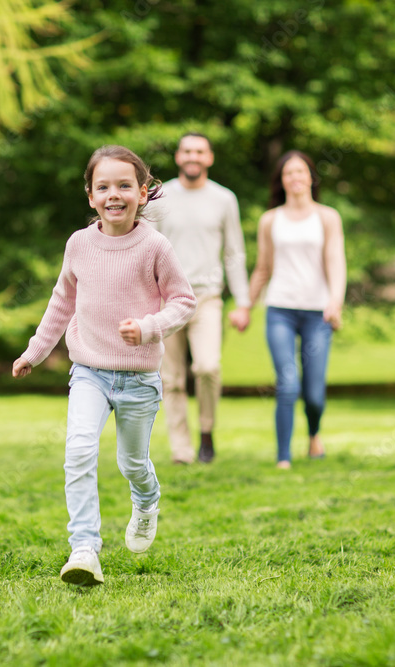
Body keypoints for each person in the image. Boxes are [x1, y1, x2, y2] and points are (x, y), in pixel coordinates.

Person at [12, 145, 197, 586]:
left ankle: (147, 501)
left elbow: (184, 301)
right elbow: (62, 303)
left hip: (139, 379)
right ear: (91, 196)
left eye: (124, 186)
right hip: (89, 372)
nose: (114, 194)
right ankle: (84, 549)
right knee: (77, 449)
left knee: (132, 463)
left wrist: (150, 327)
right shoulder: (79, 244)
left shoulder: (155, 246)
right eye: (103, 187)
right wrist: (34, 352)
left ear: (144, 192)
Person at [149, 133, 252, 464]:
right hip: (166, 300)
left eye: (200, 151)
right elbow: (147, 249)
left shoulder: (224, 199)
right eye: (187, 151)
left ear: (209, 158)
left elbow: (234, 253)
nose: (193, 156)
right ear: (178, 157)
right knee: (172, 379)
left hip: (207, 297)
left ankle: (207, 431)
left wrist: (243, 301)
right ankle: (182, 449)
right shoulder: (159, 198)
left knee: (208, 366)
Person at [247, 150, 347, 470]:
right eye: (288, 173)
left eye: (301, 172)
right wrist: (246, 306)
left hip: (318, 313)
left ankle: (314, 435)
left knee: (314, 392)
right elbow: (263, 268)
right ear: (282, 181)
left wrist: (336, 300)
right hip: (280, 309)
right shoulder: (270, 220)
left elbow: (335, 260)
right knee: (288, 383)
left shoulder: (327, 217)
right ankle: (283, 456)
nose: (295, 178)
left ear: (311, 178)